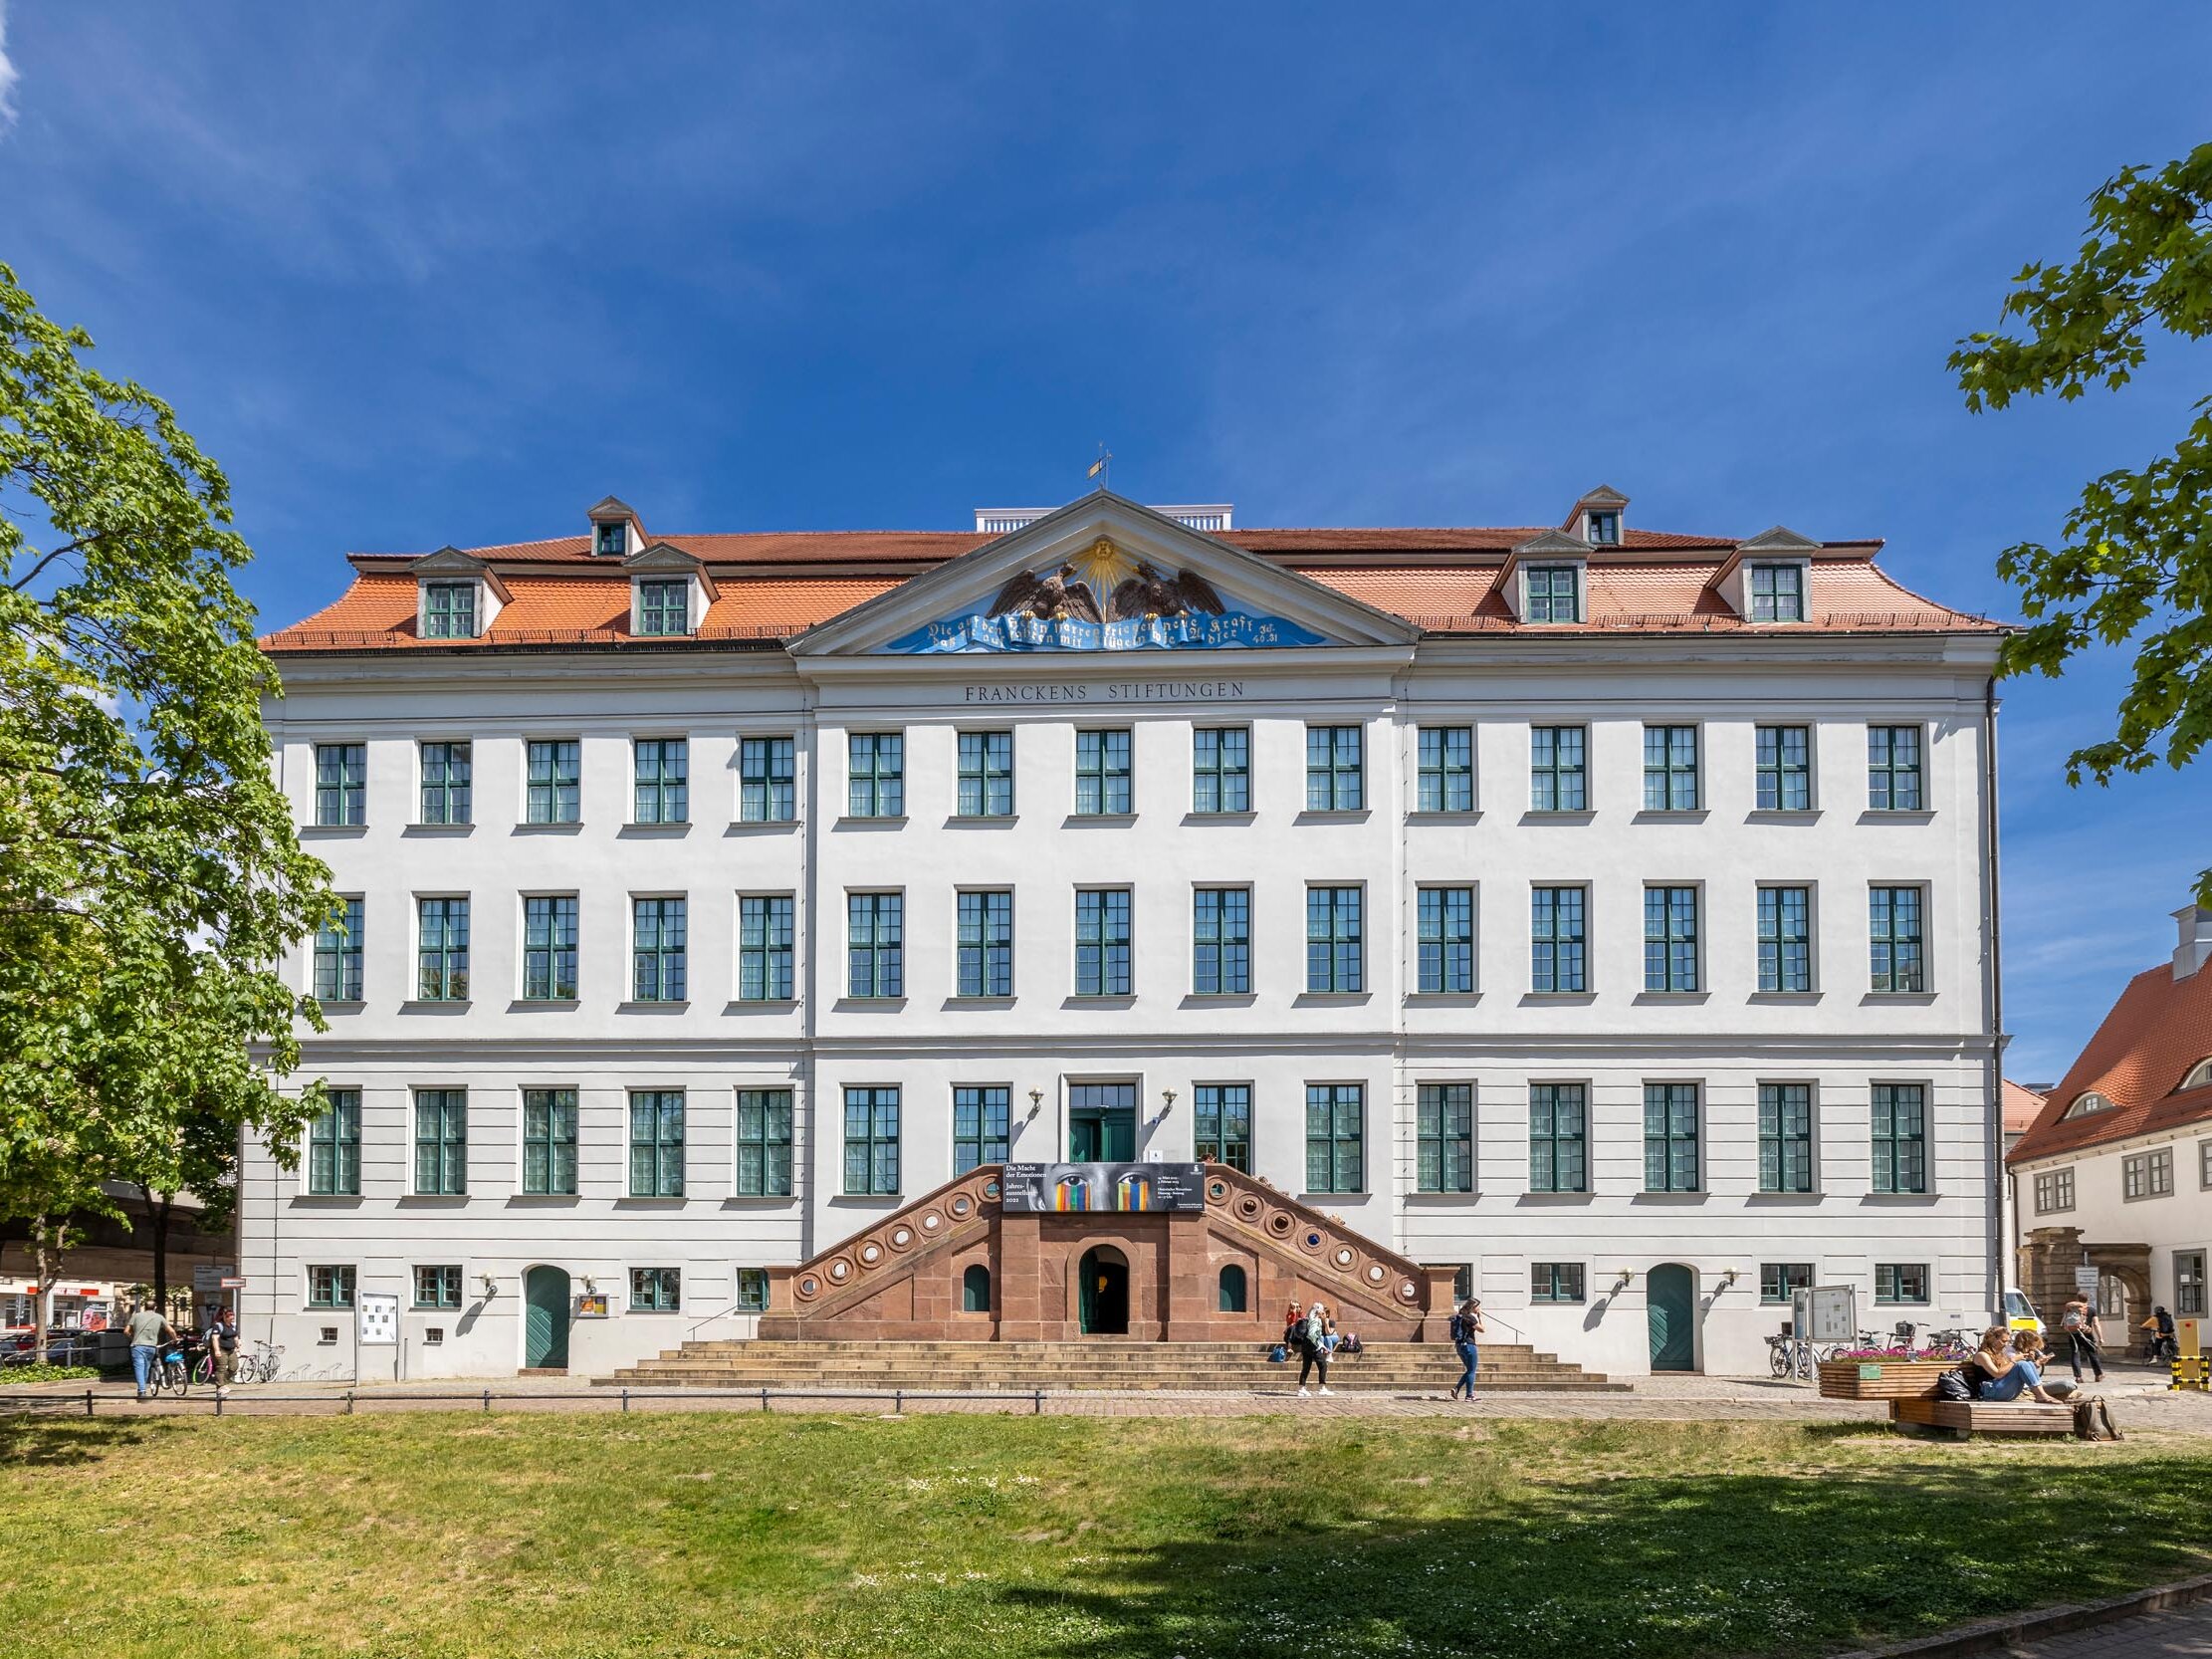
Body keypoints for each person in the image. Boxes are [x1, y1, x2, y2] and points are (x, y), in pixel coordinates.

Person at [1963, 1324, 2062, 1404]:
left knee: (2027, 1364)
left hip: (2002, 1389)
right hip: (1990, 1392)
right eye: (2003, 1341)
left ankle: (2041, 1394)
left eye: (2008, 1341)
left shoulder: (2000, 1354)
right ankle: (2041, 1395)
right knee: (2021, 1364)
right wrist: (2014, 1360)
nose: (2006, 1344)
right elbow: (1997, 1374)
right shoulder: (1982, 1355)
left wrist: (2035, 1363)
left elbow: (2009, 1372)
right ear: (1992, 1339)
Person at [125, 1301, 176, 1402]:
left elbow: (126, 1331)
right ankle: (142, 1389)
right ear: (155, 1307)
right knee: (146, 1368)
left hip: (137, 1346)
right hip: (151, 1347)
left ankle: (142, 1391)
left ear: (144, 1307)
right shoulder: (159, 1317)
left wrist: (132, 1338)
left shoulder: (136, 1316)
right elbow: (171, 1331)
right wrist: (175, 1339)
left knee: (139, 1367)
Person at [2058, 1291, 2104, 1383]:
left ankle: (2078, 1377)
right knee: (2092, 1354)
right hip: (2087, 1334)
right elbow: (2096, 1324)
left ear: (2077, 1298)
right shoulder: (2091, 1309)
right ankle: (2098, 1375)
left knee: (2075, 1354)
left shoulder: (2070, 1308)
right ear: (2088, 1299)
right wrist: (2100, 1337)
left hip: (2073, 1334)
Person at [1448, 1298, 1484, 1400]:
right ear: (1473, 1307)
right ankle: (1469, 1395)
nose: (1479, 1308)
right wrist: (1480, 1317)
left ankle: (1456, 1389)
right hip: (1469, 1345)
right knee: (1472, 1371)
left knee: (1469, 1370)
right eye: (1478, 1306)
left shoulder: (1461, 1316)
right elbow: (1482, 1329)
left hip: (1460, 1346)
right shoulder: (1470, 1318)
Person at [1295, 1301, 1332, 1397]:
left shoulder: (1309, 1318)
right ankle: (1322, 1388)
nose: (1323, 1312)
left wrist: (1321, 1345)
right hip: (1312, 1346)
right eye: (1321, 1310)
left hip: (1305, 1346)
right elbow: (1312, 1334)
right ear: (1318, 1311)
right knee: (1323, 1364)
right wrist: (1318, 1345)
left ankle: (1301, 1388)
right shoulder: (1316, 1320)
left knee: (1306, 1367)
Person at [205, 1304, 240, 1398]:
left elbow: (235, 1337)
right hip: (221, 1349)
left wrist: (237, 1345)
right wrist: (216, 1350)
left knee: (234, 1367)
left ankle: (222, 1382)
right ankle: (220, 1386)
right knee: (221, 1367)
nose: (231, 1317)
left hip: (231, 1350)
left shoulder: (233, 1326)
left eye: (232, 1315)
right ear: (224, 1316)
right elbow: (214, 1338)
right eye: (229, 1315)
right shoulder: (218, 1326)